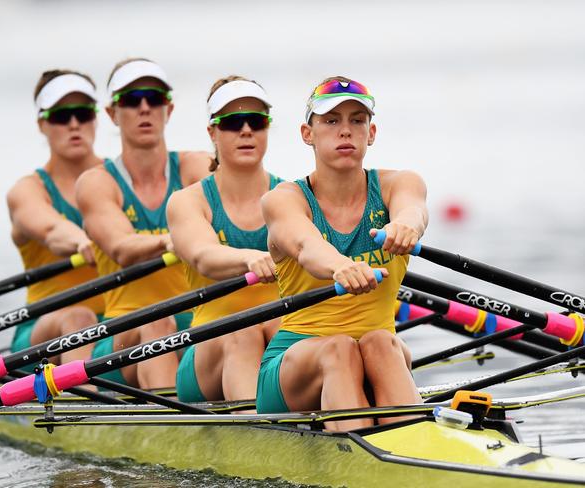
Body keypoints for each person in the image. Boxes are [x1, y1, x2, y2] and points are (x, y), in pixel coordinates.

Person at [257, 76, 428, 430]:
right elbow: (306, 246)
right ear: (308, 133)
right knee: (340, 349)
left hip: (379, 350)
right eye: (331, 121)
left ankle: (416, 451)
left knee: (381, 342)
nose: (345, 131)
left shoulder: (400, 184)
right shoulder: (283, 199)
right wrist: (340, 267)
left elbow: (413, 209)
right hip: (297, 364)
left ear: (372, 132)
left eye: (357, 120)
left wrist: (407, 225)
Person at [76, 58, 211, 389]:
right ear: (111, 113)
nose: (145, 108)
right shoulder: (97, 183)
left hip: (196, 322)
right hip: (125, 333)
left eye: (154, 98)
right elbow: (122, 248)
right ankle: (174, 432)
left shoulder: (198, 167)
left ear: (169, 108)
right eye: (132, 100)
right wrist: (170, 241)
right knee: (157, 323)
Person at [168, 76, 281, 403]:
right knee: (243, 331)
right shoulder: (188, 201)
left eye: (257, 122)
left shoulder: (293, 195)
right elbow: (203, 255)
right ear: (212, 133)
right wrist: (248, 258)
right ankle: (254, 435)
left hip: (278, 338)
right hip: (208, 353)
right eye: (232, 122)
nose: (246, 130)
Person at [8, 69, 105, 365]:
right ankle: (86, 411)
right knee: (79, 317)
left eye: (83, 113)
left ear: (96, 118)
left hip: (116, 322)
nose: (74, 124)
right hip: (43, 333)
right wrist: (84, 242)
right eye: (62, 116)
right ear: (42, 124)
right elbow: (52, 229)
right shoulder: (28, 190)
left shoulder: (120, 179)